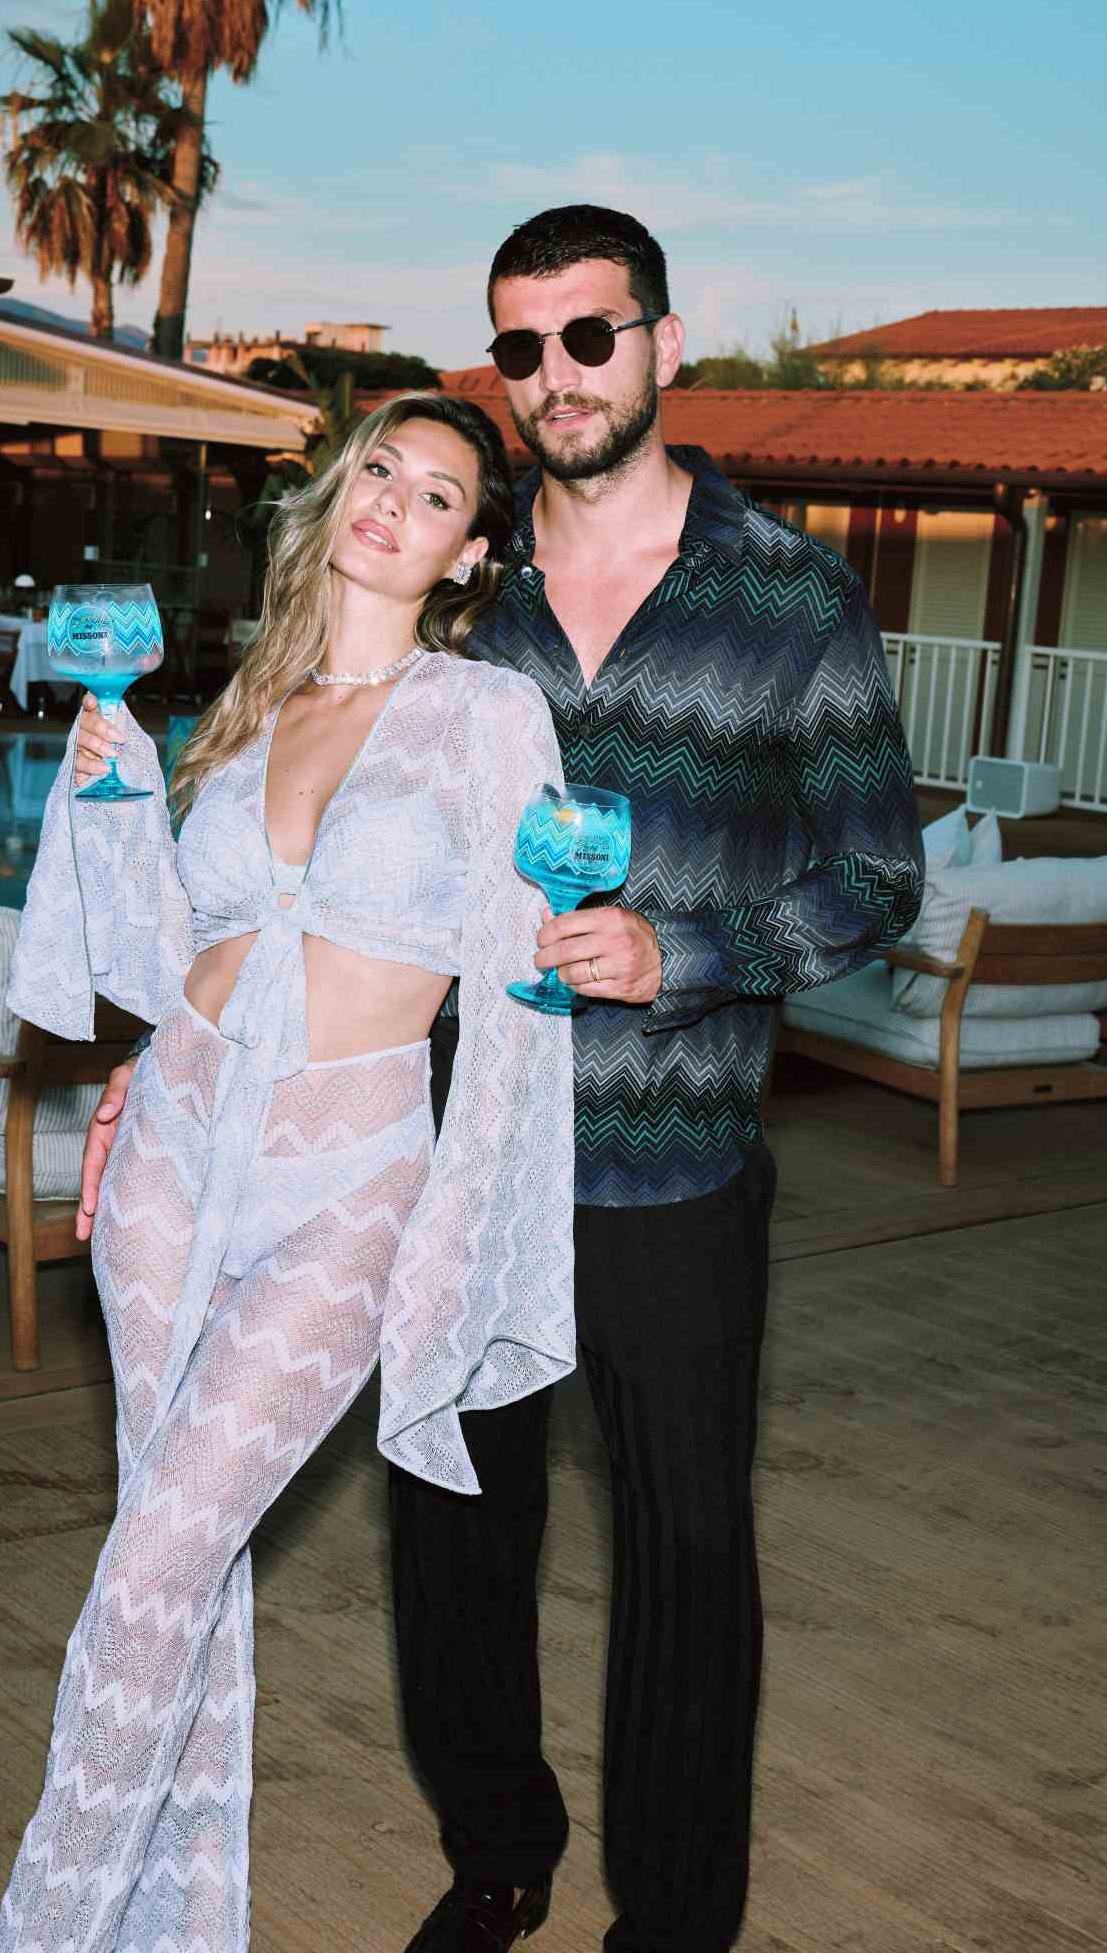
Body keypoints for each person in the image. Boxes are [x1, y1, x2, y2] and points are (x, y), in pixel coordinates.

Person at [390, 206, 925, 1953]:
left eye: (589, 335)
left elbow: (878, 880)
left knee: (685, 1562)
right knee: (455, 1537)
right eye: (520, 346)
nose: (554, 375)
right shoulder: (458, 600)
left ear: (664, 346)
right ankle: (496, 1855)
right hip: (467, 1160)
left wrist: (682, 951)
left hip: (673, 1171)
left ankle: (675, 1924)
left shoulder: (790, 596)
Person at [0, 392, 577, 1953]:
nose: (396, 501)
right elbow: (180, 949)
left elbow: (518, 987)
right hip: (174, 1155)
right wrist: (114, 792)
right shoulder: (253, 702)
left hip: (352, 1175)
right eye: (380, 469)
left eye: (439, 494)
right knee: (174, 1571)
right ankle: (171, 1929)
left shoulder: (488, 716)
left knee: (155, 1566)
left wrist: (473, 1215)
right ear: (338, 493)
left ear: (469, 556)